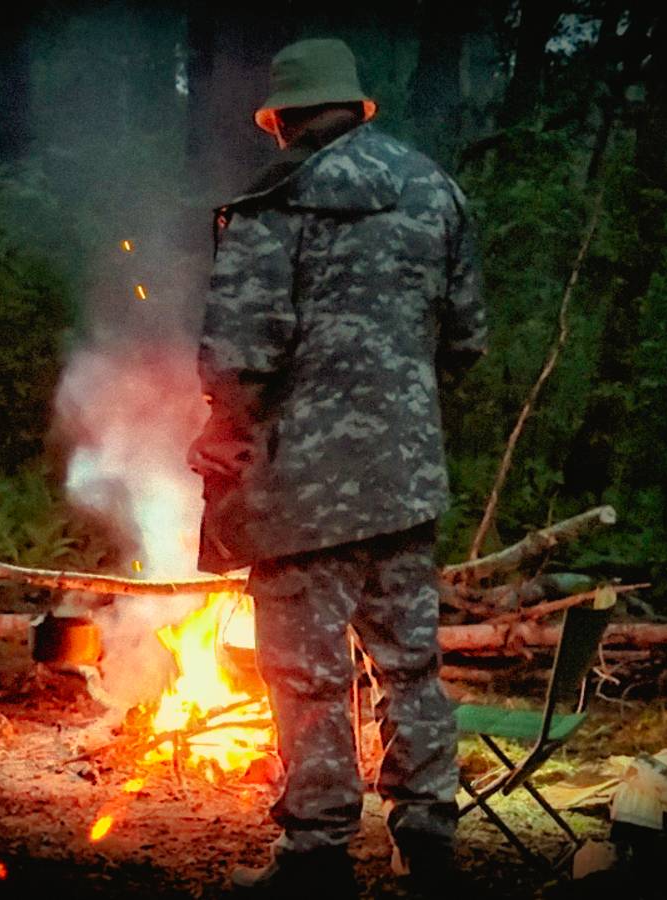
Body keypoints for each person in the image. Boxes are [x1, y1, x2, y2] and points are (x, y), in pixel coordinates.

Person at [187, 38, 485, 894]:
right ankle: (427, 831)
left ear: (281, 121)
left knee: (308, 675)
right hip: (404, 475)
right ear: (359, 109)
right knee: (412, 663)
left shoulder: (274, 201)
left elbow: (240, 353)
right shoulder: (436, 190)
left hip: (298, 487)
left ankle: (318, 853)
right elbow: (466, 339)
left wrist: (227, 439)